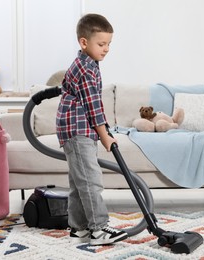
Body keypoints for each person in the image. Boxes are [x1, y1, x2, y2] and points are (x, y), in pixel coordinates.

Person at [56, 13, 128, 245]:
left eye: (109, 44)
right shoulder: (86, 68)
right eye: (101, 44)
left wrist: (105, 130)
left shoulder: (89, 63)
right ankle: (98, 229)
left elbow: (93, 104)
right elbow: (93, 106)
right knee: (90, 180)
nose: (106, 49)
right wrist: (105, 136)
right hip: (78, 131)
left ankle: (79, 229)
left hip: (77, 130)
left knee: (79, 182)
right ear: (83, 42)